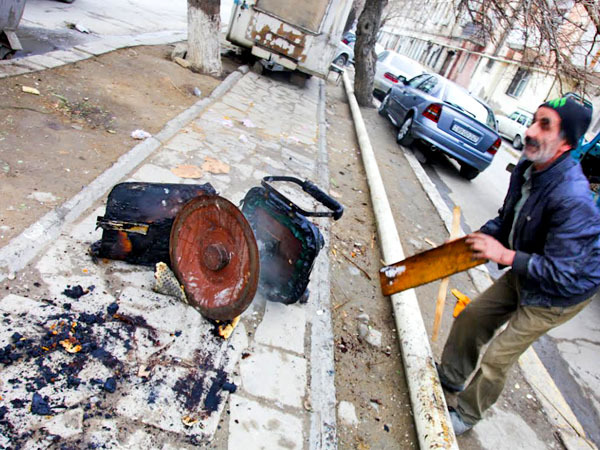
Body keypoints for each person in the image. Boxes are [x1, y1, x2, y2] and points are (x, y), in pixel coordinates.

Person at [437, 96, 600, 434]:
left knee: (498, 357)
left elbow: (563, 272)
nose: (530, 131)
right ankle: (450, 378)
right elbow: (508, 220)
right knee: (472, 318)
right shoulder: (528, 168)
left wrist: (505, 256)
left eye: (545, 125)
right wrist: (478, 240)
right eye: (534, 120)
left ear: (566, 142)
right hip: (530, 266)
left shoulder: (573, 197)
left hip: (560, 293)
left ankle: (466, 414)